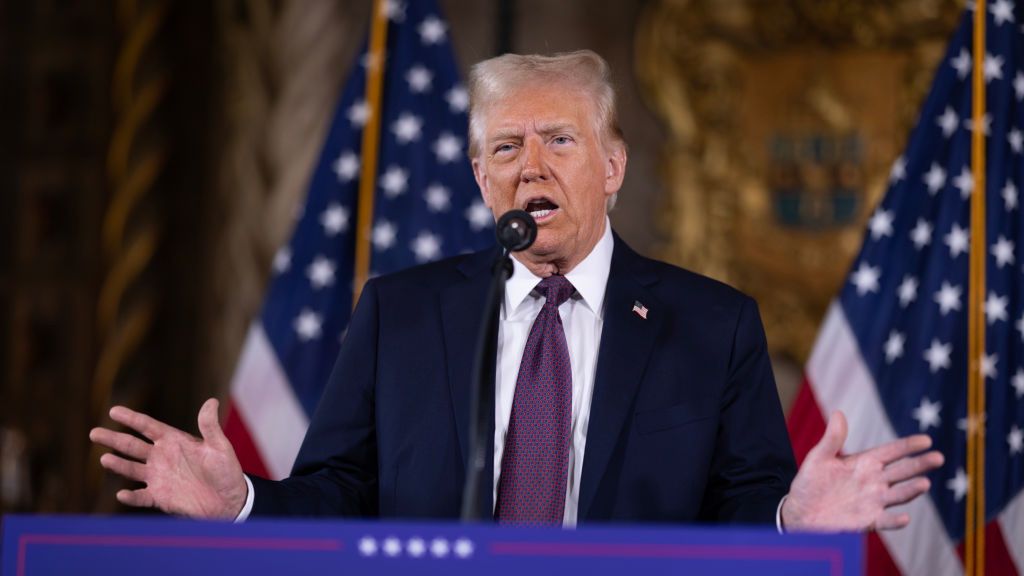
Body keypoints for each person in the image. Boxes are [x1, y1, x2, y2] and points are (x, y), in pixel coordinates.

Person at [90, 50, 943, 530]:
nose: (529, 166)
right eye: (504, 148)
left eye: (558, 140)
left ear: (613, 166)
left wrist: (797, 517)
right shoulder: (401, 313)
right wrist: (241, 501)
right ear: (477, 175)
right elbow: (335, 493)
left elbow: (744, 509)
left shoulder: (712, 325)